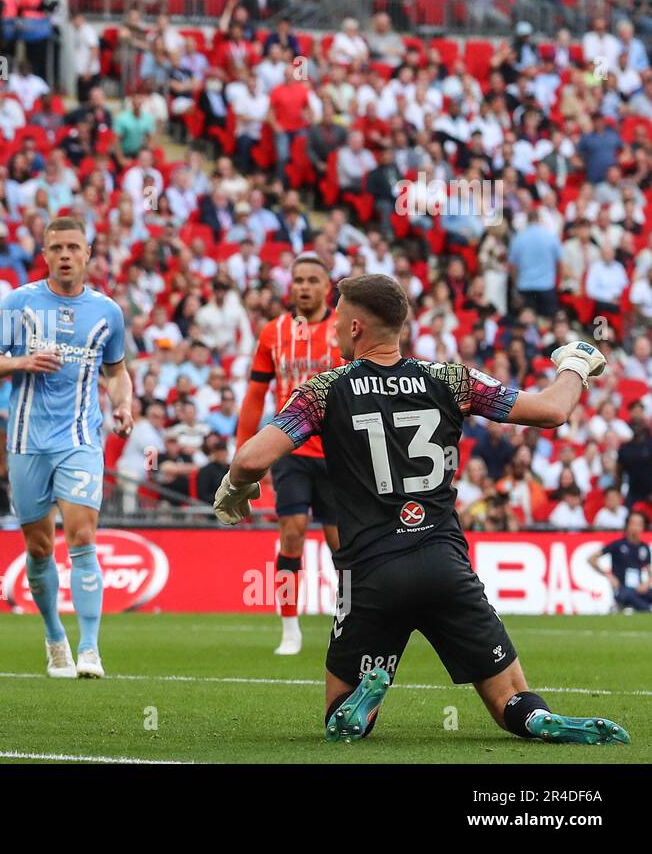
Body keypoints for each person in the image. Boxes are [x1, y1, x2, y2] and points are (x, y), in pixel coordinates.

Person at [214, 273, 629, 745]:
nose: (332, 327)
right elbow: (551, 411)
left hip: (371, 573)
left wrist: (237, 485)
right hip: (444, 565)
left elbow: (250, 458)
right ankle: (534, 719)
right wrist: (575, 363)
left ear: (355, 329)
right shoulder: (453, 379)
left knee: (339, 717)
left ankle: (363, 700)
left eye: (338, 318)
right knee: (509, 698)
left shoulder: (323, 390)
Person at [0, 216, 133, 679]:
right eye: (57, 248)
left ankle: (90, 649)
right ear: (45, 254)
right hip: (27, 441)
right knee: (40, 547)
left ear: (88, 254)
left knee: (83, 537)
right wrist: (23, 361)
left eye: (73, 248)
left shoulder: (108, 312)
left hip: (81, 439)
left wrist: (123, 406)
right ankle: (53, 636)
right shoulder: (20, 303)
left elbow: (117, 371)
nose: (65, 255)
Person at [236, 253, 342, 656]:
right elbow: (254, 396)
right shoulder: (273, 333)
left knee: (340, 543)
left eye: (312, 280)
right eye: (298, 279)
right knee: (292, 533)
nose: (303, 287)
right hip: (291, 448)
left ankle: (346, 618)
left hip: (336, 451)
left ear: (327, 287)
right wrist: (244, 453)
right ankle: (289, 627)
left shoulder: (345, 332)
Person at [588, 512, 651, 612]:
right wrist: (608, 575)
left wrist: (646, 584)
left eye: (639, 524)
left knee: (643, 593)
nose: (635, 527)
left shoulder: (644, 547)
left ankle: (645, 607)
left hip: (639, 588)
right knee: (629, 594)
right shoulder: (617, 545)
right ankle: (647, 608)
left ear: (643, 527)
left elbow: (649, 570)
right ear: (627, 525)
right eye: (633, 523)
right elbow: (592, 559)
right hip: (622, 589)